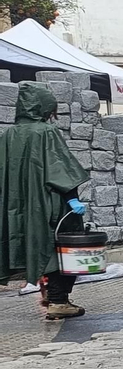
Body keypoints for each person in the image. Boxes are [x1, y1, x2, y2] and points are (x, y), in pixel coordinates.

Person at [0, 83, 92, 320]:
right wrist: (72, 199)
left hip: (18, 207)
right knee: (61, 249)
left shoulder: (8, 135)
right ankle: (58, 301)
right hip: (48, 203)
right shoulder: (46, 132)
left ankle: (50, 295)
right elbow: (59, 169)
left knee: (35, 247)